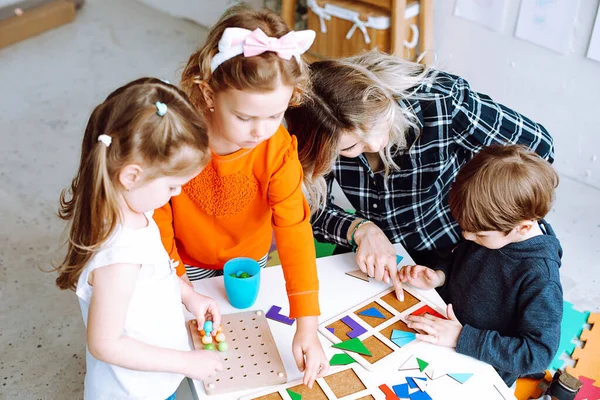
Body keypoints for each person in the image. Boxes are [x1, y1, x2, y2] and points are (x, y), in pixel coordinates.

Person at [285, 51, 554, 300]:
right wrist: (360, 229)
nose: (377, 145)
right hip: (379, 251)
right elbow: (307, 210)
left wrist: (482, 203)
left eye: (378, 124)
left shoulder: (441, 101)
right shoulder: (313, 135)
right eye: (352, 147)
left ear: (380, 99)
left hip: (458, 249)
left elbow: (539, 147)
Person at [153, 5, 328, 387]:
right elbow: (158, 218)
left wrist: (307, 325)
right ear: (208, 93)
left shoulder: (277, 148)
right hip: (183, 262)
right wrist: (180, 285)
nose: (259, 131)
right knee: (187, 355)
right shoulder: (178, 140)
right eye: (245, 117)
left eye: (274, 115)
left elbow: (295, 231)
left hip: (250, 262)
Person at [55, 78, 223, 399]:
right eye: (172, 186)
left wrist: (188, 296)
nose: (176, 195)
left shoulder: (133, 209)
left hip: (154, 380)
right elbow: (106, 343)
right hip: (131, 391)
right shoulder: (119, 255)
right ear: (132, 176)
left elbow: (155, 276)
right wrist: (186, 362)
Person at [398, 145, 563, 387]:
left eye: (479, 235)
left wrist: (462, 337)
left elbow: (536, 355)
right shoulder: (489, 226)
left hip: (485, 370)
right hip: (445, 333)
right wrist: (440, 276)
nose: (467, 237)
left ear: (524, 227)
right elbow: (461, 258)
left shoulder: (541, 277)